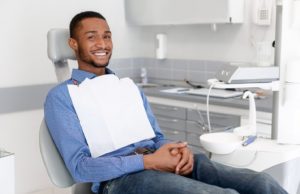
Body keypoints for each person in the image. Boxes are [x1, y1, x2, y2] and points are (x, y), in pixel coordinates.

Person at [44, 11, 287, 194]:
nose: (102, 44)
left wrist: (177, 150)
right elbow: (80, 167)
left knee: (262, 184)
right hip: (122, 180)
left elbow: (157, 137)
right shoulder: (62, 97)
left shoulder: (127, 88)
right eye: (91, 37)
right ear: (73, 44)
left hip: (160, 161)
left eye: (107, 36)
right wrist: (149, 161)